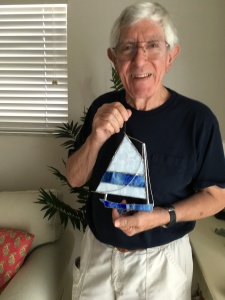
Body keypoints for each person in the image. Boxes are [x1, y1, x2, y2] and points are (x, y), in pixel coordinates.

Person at [67, 2, 225, 299]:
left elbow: (217, 196)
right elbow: (74, 178)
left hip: (162, 265)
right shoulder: (102, 108)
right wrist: (96, 138)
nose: (140, 60)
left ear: (171, 55)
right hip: (99, 256)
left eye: (153, 46)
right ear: (113, 59)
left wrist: (161, 216)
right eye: (127, 48)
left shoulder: (198, 120)